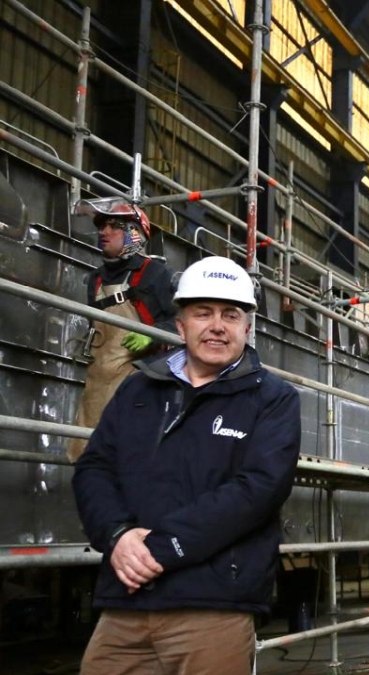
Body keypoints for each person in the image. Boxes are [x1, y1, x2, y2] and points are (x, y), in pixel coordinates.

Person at [72, 256, 301, 675]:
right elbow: (94, 469)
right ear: (180, 325)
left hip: (212, 605)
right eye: (203, 313)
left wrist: (160, 548)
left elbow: (258, 489)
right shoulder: (137, 390)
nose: (217, 326)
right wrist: (117, 536)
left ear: (247, 328)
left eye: (230, 315)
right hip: (126, 601)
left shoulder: (272, 399)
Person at [69, 197, 177, 461]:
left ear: (134, 234)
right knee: (87, 451)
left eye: (114, 226)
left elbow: (182, 322)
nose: (104, 232)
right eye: (101, 226)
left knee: (129, 451)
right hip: (99, 379)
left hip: (138, 378)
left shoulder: (154, 273)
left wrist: (152, 334)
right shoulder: (96, 279)